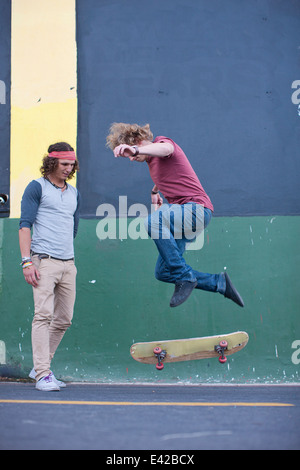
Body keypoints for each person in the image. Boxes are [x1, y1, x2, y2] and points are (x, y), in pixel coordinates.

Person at [107, 122, 244, 309]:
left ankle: (184, 276)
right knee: (163, 272)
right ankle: (219, 283)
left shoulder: (163, 143)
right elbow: (166, 175)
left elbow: (166, 149)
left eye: (131, 153)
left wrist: (133, 150)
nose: (131, 159)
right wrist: (155, 192)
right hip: (187, 218)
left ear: (139, 141)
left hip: (196, 210)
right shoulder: (151, 163)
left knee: (152, 222)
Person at [19, 142, 80, 391]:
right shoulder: (37, 187)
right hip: (42, 262)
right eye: (64, 164)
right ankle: (43, 374)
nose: (68, 168)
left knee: (64, 319)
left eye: (72, 164)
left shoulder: (74, 192)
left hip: (69, 264)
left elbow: (73, 227)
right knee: (43, 316)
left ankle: (39, 367)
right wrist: (27, 262)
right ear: (52, 162)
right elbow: (24, 226)